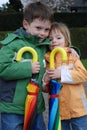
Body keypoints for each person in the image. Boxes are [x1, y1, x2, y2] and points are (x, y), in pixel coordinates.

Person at [0, 2, 53, 130]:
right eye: (38, 28)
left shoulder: (44, 46)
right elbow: (2, 67)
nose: (43, 33)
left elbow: (61, 47)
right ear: (26, 24)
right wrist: (27, 68)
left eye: (47, 29)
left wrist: (72, 50)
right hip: (13, 107)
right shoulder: (13, 44)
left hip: (36, 105)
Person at [43, 22, 87, 130]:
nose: (54, 41)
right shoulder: (48, 61)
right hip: (58, 110)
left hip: (78, 109)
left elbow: (83, 75)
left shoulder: (72, 56)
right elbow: (45, 89)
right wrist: (46, 81)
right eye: (50, 39)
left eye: (58, 38)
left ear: (66, 40)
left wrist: (61, 74)